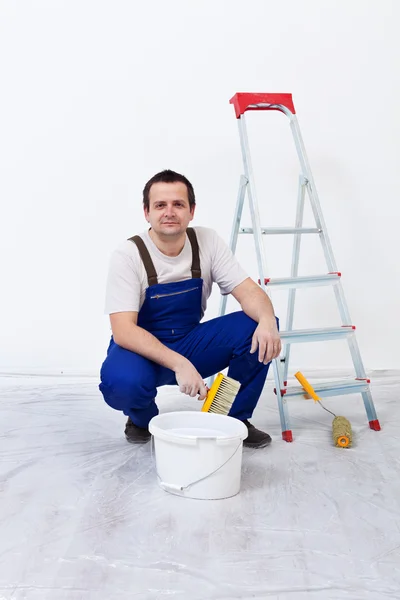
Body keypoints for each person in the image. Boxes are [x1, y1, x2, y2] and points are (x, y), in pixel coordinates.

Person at [99, 169, 281, 449]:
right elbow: (123, 331)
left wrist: (268, 320)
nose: (169, 212)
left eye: (178, 204)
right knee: (121, 382)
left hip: (190, 341)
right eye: (160, 205)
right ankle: (142, 418)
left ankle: (232, 419)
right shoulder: (128, 255)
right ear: (146, 212)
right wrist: (180, 364)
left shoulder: (207, 241)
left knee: (256, 328)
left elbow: (249, 292)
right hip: (141, 350)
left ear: (191, 211)